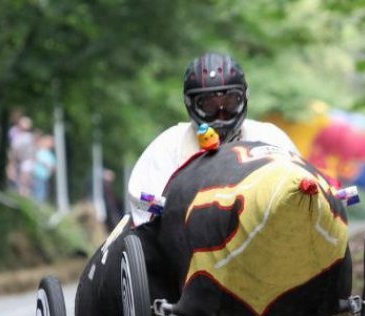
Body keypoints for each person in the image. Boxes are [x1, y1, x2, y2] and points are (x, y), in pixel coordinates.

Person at [127, 52, 299, 225]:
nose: (221, 115)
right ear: (190, 103)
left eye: (230, 102)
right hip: (184, 242)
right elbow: (141, 197)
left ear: (244, 97)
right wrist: (178, 210)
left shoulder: (270, 138)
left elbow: (301, 185)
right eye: (209, 105)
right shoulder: (169, 146)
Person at [31, 134, 56, 204]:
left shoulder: (50, 155)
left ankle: (40, 203)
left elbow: (53, 166)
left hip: (45, 176)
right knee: (38, 189)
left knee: (43, 190)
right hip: (37, 174)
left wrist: (51, 169)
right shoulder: (40, 151)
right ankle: (37, 203)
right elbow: (35, 160)